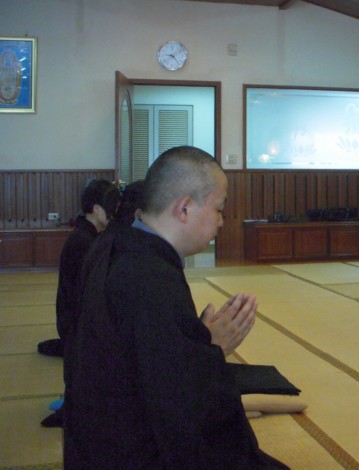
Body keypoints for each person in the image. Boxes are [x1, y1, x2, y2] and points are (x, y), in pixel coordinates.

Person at [63, 146, 288, 469]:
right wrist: (212, 350)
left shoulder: (115, 245)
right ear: (184, 209)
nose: (221, 222)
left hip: (92, 443)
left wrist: (195, 341)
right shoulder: (150, 278)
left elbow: (143, 360)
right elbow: (176, 405)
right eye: (219, 210)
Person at [40, 179, 119, 428]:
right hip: (75, 317)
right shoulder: (84, 241)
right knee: (80, 367)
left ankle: (72, 406)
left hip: (73, 315)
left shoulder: (86, 235)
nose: (113, 214)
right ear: (96, 209)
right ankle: (71, 412)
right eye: (110, 208)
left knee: (80, 365)